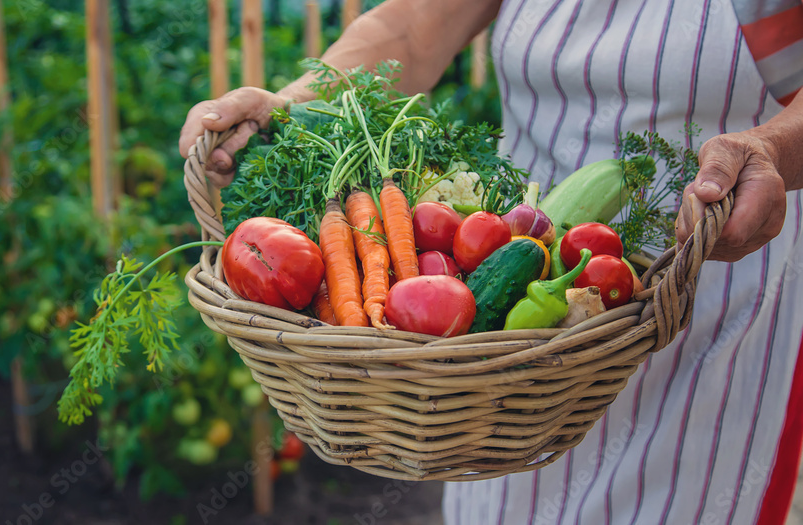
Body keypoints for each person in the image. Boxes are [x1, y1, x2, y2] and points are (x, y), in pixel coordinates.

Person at [179, 0, 803, 523]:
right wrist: (293, 104)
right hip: (496, 334)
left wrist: (768, 147)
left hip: (698, 284)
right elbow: (415, 31)